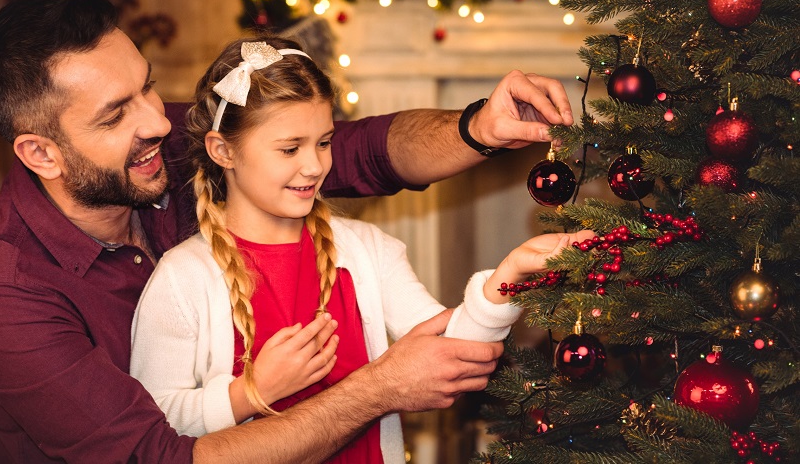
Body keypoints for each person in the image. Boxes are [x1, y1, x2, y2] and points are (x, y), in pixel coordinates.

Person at [0, 0, 576, 464]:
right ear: (41, 153)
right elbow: (161, 456)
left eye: (147, 88)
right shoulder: (1, 290)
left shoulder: (163, 152)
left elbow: (359, 152)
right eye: (117, 115)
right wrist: (372, 390)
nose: (160, 124)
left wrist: (478, 128)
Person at [129, 38, 592, 463]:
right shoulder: (181, 278)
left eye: (325, 142)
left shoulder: (370, 253)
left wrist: (508, 276)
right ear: (222, 151)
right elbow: (154, 430)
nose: (314, 166)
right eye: (289, 149)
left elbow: (456, 356)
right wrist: (252, 392)